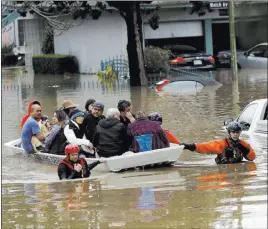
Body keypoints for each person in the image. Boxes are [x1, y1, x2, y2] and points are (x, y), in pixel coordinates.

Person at [180, 121, 256, 164]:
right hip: (223, 170)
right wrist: (189, 146)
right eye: (233, 132)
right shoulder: (222, 144)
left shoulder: (244, 144)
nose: (235, 134)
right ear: (229, 133)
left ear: (240, 132)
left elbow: (252, 158)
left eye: (237, 132)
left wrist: (242, 147)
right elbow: (206, 147)